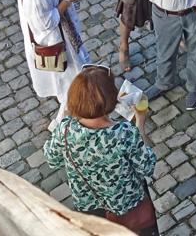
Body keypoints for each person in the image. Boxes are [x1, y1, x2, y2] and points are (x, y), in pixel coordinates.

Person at [44, 65, 158, 235]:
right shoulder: (124, 132)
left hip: (89, 206)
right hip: (126, 204)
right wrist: (140, 123)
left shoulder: (65, 129)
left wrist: (66, 117)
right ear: (111, 100)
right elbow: (147, 166)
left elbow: (52, 160)